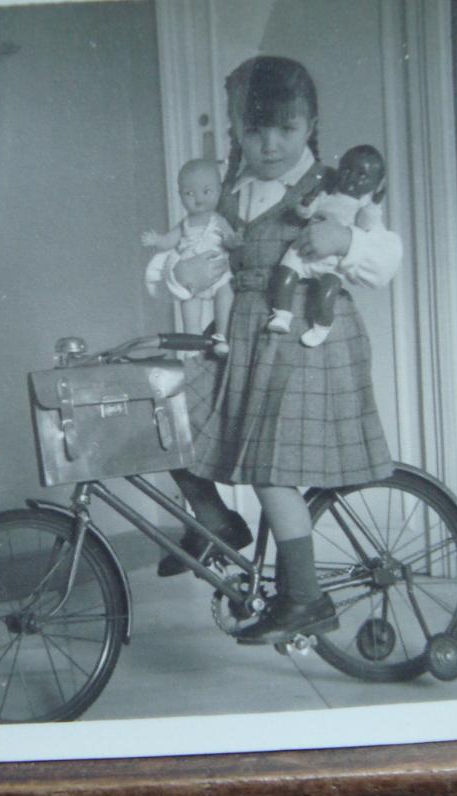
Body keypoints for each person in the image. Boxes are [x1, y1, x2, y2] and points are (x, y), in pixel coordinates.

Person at [155, 56, 403, 645]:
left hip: (305, 344)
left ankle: (303, 599)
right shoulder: (230, 188)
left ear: (311, 125)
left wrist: (344, 239)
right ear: (238, 130)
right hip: (242, 334)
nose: (269, 144)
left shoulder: (336, 184)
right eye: (255, 129)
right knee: (167, 414)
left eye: (286, 130)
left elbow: (384, 258)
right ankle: (215, 520)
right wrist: (183, 273)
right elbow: (200, 263)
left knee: (272, 472)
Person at [267, 144, 399, 347]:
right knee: (286, 273)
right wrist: (306, 204)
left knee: (327, 295)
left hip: (332, 262)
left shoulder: (363, 209)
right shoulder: (325, 197)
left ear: (375, 184)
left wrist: (375, 203)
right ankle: (282, 315)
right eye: (345, 169)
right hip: (302, 250)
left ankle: (321, 327)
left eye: (361, 175)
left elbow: (370, 227)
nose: (351, 177)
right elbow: (305, 212)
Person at [143, 158, 237, 356]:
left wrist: (234, 241)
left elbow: (229, 239)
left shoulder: (217, 220)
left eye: (206, 191)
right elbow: (169, 241)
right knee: (189, 304)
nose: (198, 199)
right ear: (180, 196)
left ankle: (222, 336)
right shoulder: (185, 223)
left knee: (225, 295)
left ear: (219, 191)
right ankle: (193, 343)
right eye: (189, 194)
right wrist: (157, 240)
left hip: (219, 274)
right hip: (190, 278)